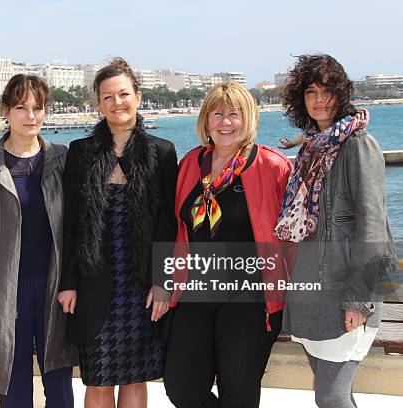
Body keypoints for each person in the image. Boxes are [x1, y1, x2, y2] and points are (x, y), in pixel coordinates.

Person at [275, 54, 398, 408]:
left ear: (341, 94)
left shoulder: (358, 145)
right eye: (310, 91)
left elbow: (373, 227)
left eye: (326, 90)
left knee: (331, 398)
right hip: (312, 295)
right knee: (335, 396)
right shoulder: (313, 148)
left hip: (345, 293)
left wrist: (359, 299)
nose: (318, 99)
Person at [57, 57, 178, 408]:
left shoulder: (162, 152)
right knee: (96, 381)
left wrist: (162, 282)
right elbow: (72, 224)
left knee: (135, 379)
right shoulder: (81, 152)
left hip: (139, 284)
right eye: (107, 97)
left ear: (138, 97)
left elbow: (167, 225)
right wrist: (68, 282)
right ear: (98, 104)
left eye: (123, 94)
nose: (117, 103)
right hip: (93, 279)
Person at [164, 81, 292, 408]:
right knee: (181, 387)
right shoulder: (190, 164)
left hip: (250, 299)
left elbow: (296, 235)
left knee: (238, 394)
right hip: (195, 293)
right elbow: (175, 228)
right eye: (217, 114)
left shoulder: (272, 165)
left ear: (248, 119)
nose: (225, 122)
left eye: (234, 114)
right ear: (206, 120)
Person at [0, 74, 76, 408]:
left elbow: (78, 223)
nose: (30, 115)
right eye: (21, 107)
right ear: (6, 111)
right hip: (8, 289)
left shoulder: (62, 159)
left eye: (37, 107)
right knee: (14, 383)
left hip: (54, 287)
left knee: (60, 385)